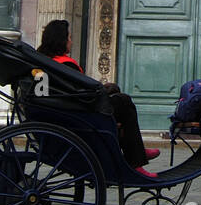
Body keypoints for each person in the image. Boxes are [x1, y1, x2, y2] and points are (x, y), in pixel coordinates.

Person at [37, 20, 159, 177]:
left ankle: (136, 150)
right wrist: (101, 90)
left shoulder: (43, 62)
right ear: (60, 40)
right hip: (77, 117)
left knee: (114, 93)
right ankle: (135, 159)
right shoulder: (64, 65)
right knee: (123, 101)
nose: (71, 41)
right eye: (68, 37)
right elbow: (80, 94)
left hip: (58, 113)